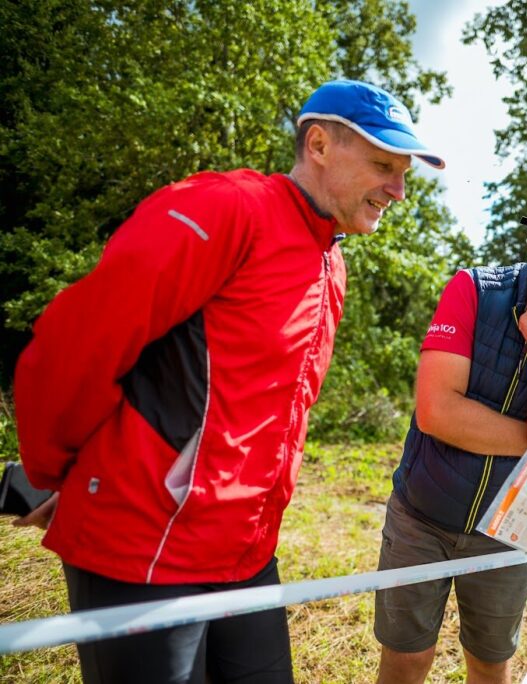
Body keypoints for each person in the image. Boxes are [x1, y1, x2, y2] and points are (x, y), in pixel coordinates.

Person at [13, 78, 444, 684]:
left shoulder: (331, 261)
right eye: (382, 166)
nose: (398, 191)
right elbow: (72, 347)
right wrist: (48, 476)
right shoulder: (226, 207)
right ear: (317, 144)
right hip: (145, 548)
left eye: (404, 173)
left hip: (245, 553)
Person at [373, 187, 527, 684]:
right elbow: (437, 412)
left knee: (490, 665)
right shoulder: (473, 290)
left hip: (507, 535)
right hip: (421, 516)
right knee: (406, 660)